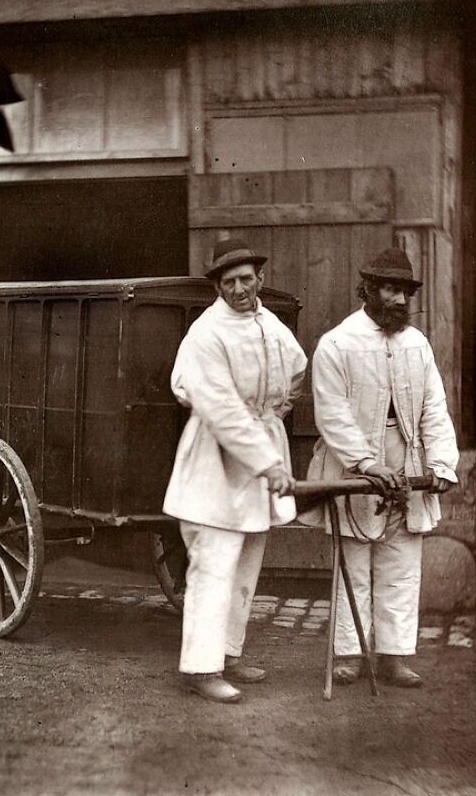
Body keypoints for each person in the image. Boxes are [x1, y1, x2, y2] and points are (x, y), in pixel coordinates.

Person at [304, 248, 458, 687]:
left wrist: (441, 462)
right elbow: (332, 413)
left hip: (406, 457)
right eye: (390, 289)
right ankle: (350, 653)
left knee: (402, 563)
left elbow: (434, 407)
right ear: (367, 290)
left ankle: (394, 655)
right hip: (353, 460)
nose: (399, 300)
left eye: (404, 292)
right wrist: (366, 462)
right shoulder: (337, 343)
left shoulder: (417, 344)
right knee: (353, 563)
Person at [163, 237, 307, 703]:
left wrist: (275, 413)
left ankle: (228, 652)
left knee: (246, 564)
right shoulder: (206, 333)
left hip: (258, 458)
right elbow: (221, 409)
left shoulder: (271, 324)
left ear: (260, 278)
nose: (240, 289)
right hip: (214, 460)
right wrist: (268, 461)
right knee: (213, 564)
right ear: (217, 287)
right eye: (229, 282)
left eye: (247, 279)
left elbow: (298, 368)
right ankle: (201, 668)